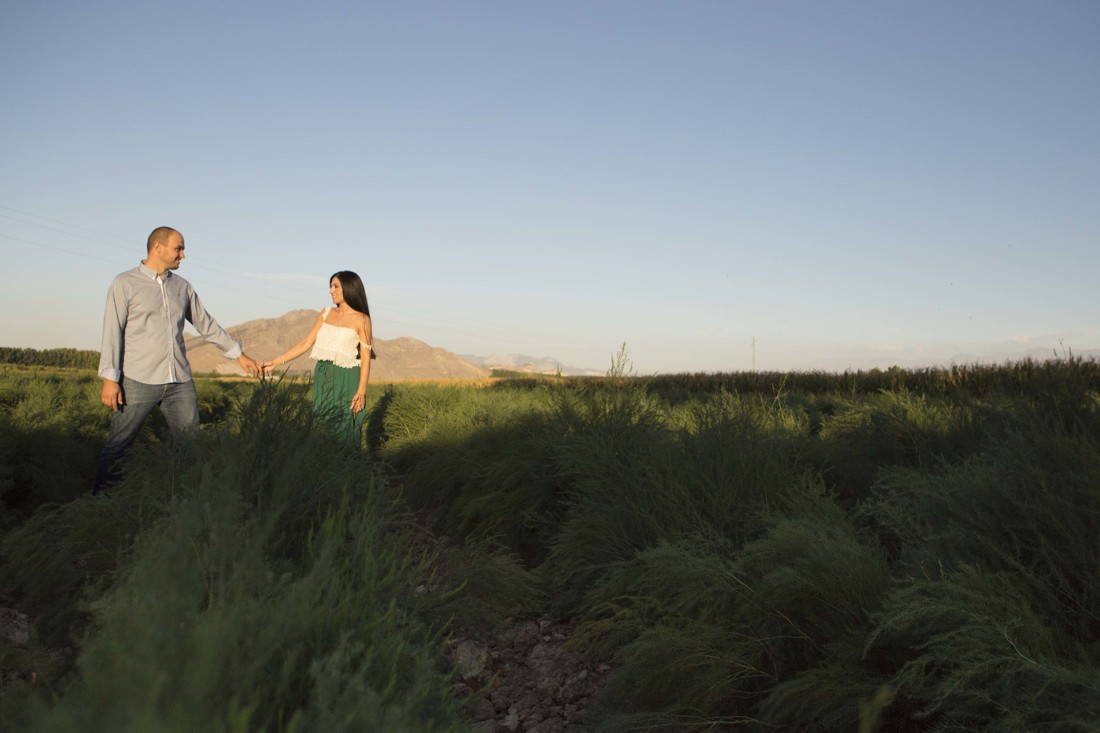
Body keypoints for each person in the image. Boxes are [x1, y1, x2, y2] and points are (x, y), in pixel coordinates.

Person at [93, 226, 260, 493]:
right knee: (118, 445)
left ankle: (184, 498)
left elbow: (206, 325)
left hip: (179, 381)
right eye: (178, 248)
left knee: (191, 445)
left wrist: (239, 355)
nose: (183, 255)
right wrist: (110, 379)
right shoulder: (125, 283)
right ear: (157, 248)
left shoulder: (182, 287)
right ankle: (101, 501)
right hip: (137, 379)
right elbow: (113, 330)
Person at [262, 271, 374, 444]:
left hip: (346, 378)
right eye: (331, 286)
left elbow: (365, 359)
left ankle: (346, 461)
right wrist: (275, 362)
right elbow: (305, 343)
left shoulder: (362, 319)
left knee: (344, 428)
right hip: (323, 375)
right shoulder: (325, 313)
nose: (331, 291)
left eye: (335, 286)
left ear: (349, 288)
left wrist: (361, 392)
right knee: (322, 426)